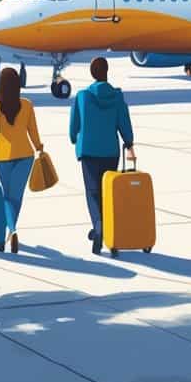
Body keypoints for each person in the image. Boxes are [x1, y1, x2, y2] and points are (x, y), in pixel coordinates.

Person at [69, 57, 136, 255]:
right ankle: (107, 229)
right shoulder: (116, 96)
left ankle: (99, 228)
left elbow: (74, 126)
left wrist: (74, 138)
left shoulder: (82, 97)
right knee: (107, 192)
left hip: (89, 151)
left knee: (93, 192)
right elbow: (124, 121)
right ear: (107, 72)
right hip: (110, 151)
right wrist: (129, 141)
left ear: (92, 73)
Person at [0, 67, 43, 253]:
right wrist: (38, 146)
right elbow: (33, 131)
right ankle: (12, 232)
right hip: (25, 156)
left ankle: (12, 230)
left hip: (3, 156)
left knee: (7, 197)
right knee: (16, 197)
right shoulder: (27, 105)